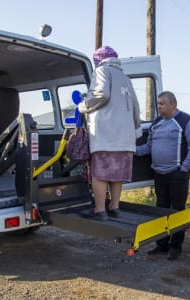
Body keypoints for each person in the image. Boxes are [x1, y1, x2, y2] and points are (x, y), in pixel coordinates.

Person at [136, 91, 190, 261]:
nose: (159, 106)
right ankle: (161, 244)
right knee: (160, 209)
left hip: (177, 174)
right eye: (158, 103)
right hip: (159, 174)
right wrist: (131, 150)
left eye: (162, 103)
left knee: (177, 211)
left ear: (173, 104)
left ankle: (175, 247)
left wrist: (184, 167)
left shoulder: (185, 121)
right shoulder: (155, 123)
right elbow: (148, 147)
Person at [78, 46, 141, 221]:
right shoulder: (126, 79)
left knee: (100, 174)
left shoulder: (102, 71)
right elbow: (136, 106)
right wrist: (135, 127)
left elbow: (101, 94)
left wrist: (83, 106)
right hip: (125, 136)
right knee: (117, 174)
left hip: (106, 133)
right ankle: (115, 207)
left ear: (98, 60)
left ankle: (99, 210)